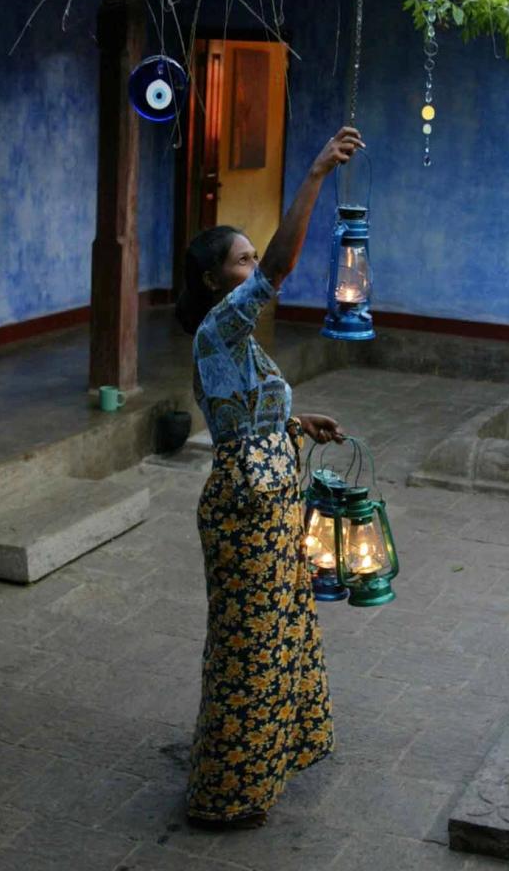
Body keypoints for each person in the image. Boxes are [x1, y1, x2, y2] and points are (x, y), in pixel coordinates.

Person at [175, 125, 365, 829]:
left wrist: (295, 421)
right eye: (241, 260)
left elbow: (239, 420)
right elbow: (281, 267)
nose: (254, 266)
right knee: (251, 645)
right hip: (247, 508)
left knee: (286, 627)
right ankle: (229, 793)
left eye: (251, 257)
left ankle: (281, 750)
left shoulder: (238, 348)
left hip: (272, 499)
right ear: (212, 280)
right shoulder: (217, 330)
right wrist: (315, 173)